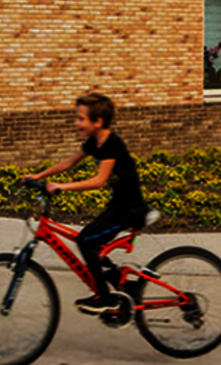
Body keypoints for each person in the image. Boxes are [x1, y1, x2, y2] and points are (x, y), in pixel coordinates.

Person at [22, 93, 148, 315]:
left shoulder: (111, 145)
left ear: (97, 122)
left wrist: (62, 187)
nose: (76, 123)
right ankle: (123, 285)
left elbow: (99, 181)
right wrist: (38, 176)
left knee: (86, 240)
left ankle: (105, 296)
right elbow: (69, 162)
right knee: (93, 242)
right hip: (118, 206)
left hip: (130, 211)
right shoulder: (94, 142)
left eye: (81, 118)